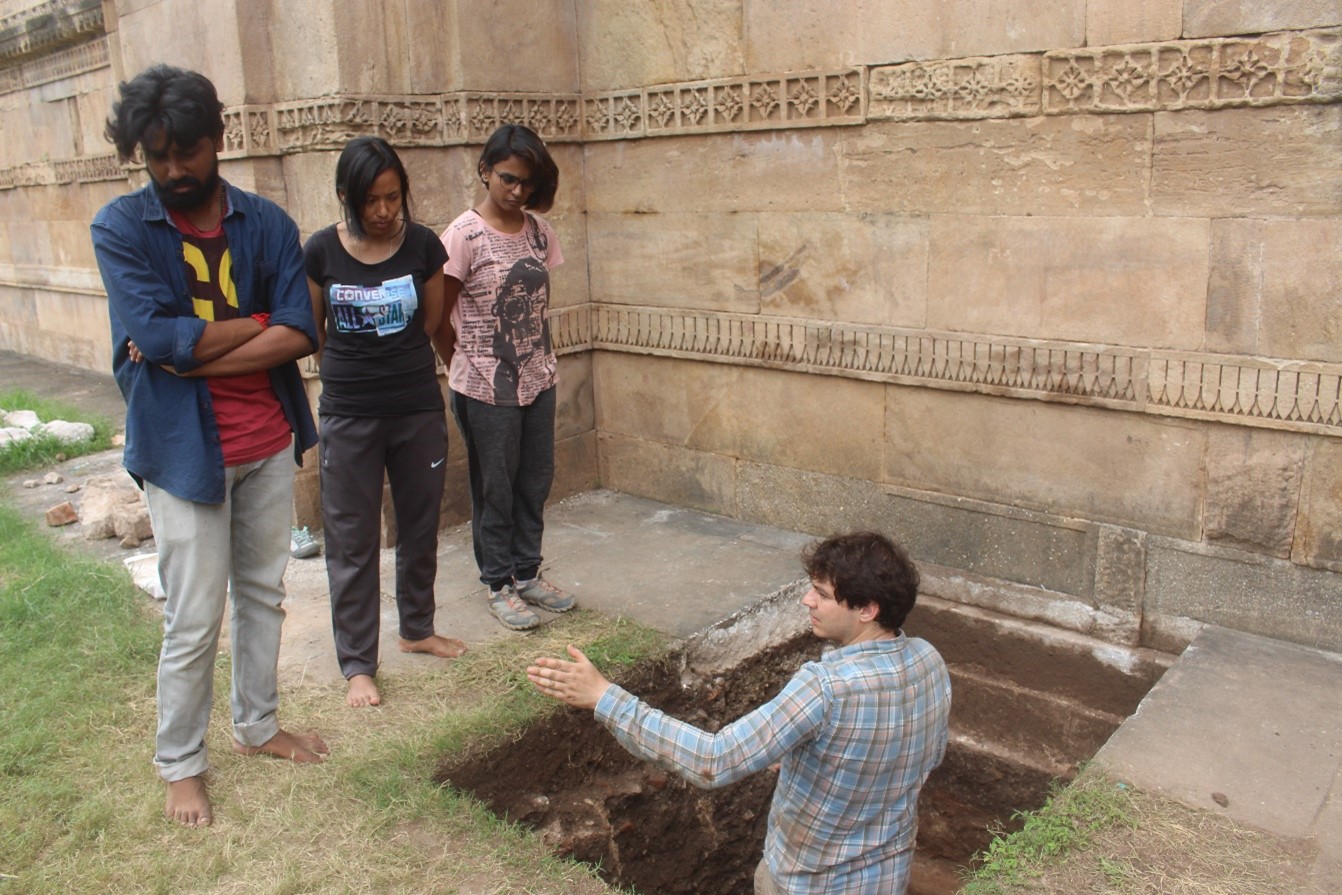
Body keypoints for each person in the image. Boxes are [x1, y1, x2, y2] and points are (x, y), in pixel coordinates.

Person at [90, 65, 328, 828]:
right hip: (181, 450)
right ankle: (181, 763)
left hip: (263, 440)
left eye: (185, 153)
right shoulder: (122, 227)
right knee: (193, 614)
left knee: (263, 593)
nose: (172, 171)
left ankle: (257, 725)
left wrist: (194, 348)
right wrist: (259, 327)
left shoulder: (266, 224)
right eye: (155, 157)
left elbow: (301, 329)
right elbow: (153, 334)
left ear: (218, 140)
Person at [528, 531, 952, 895]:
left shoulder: (824, 687)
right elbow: (921, 759)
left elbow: (714, 761)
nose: (806, 600)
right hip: (885, 877)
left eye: (821, 594)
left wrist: (605, 696)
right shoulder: (928, 660)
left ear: (867, 609)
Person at [304, 136, 466, 708]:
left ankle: (416, 628)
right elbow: (315, 334)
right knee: (351, 539)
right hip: (348, 413)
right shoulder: (322, 251)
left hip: (416, 406)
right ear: (347, 196)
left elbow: (429, 321)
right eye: (371, 199)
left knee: (420, 525)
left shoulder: (423, 246)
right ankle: (357, 664)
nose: (383, 211)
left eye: (393, 198)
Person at [436, 124, 576, 631]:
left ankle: (527, 572)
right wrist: (466, 364)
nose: (517, 191)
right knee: (495, 484)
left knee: (534, 479)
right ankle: (498, 583)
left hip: (538, 377)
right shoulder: (463, 236)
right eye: (508, 179)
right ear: (485, 172)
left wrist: (538, 359)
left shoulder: (539, 232)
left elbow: (540, 305)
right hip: (483, 387)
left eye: (527, 184)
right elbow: (438, 317)